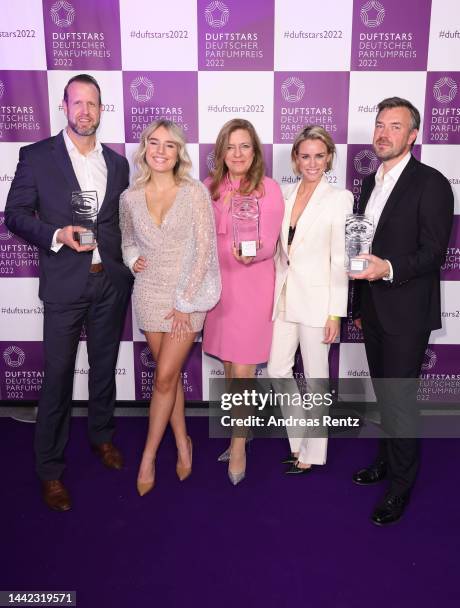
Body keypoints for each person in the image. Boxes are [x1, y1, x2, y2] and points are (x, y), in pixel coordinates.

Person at [5, 74, 133, 512]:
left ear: (101, 109)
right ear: (64, 107)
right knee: (57, 378)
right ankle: (50, 470)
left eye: (92, 103)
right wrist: (57, 233)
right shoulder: (37, 156)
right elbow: (15, 215)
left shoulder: (116, 164)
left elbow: (119, 223)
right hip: (63, 285)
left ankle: (102, 437)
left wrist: (129, 262)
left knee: (103, 369)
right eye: (77, 103)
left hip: (109, 284)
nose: (84, 111)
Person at [350, 97, 454, 526]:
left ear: (413, 136)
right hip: (374, 309)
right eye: (379, 124)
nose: (383, 133)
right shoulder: (370, 182)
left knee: (400, 400)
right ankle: (386, 461)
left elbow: (433, 253)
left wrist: (387, 269)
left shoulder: (431, 183)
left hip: (406, 312)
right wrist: (359, 304)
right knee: (384, 395)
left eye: (395, 126)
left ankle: (400, 487)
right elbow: (362, 249)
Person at [120, 120, 220, 496]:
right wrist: (132, 261)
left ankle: (147, 457)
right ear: (145, 148)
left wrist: (185, 301)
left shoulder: (194, 192)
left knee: (163, 378)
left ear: (180, 152)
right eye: (154, 143)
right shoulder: (129, 197)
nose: (161, 151)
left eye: (170, 145)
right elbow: (128, 241)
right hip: (147, 293)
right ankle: (183, 442)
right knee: (170, 376)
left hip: (186, 297)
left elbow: (205, 250)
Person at [267, 126, 353, 474]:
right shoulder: (283, 194)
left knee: (316, 376)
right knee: (276, 368)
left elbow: (340, 259)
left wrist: (336, 313)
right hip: (284, 296)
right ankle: (299, 437)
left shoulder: (340, 198)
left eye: (319, 155)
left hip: (319, 302)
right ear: (295, 159)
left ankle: (313, 452)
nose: (312, 162)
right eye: (305, 156)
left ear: (329, 157)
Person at [202, 118, 284, 485]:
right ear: (221, 152)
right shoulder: (208, 188)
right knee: (229, 366)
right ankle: (243, 429)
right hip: (220, 290)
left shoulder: (269, 189)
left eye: (245, 146)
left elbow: (271, 240)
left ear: (255, 152)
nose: (237, 154)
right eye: (230, 147)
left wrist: (256, 253)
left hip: (252, 285)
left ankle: (237, 445)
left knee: (244, 372)